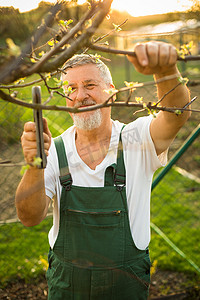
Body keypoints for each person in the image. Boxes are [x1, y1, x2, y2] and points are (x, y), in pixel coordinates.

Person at [15, 41, 190, 300]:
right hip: (67, 286)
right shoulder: (54, 150)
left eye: (90, 85)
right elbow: (29, 217)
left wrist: (165, 71)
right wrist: (34, 164)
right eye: (71, 88)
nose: (80, 95)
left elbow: (176, 115)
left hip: (126, 286)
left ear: (112, 91)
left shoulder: (137, 138)